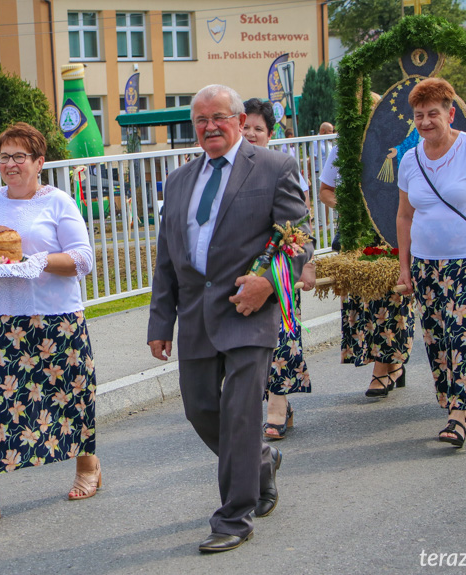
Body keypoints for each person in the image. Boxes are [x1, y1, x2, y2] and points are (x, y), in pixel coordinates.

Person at [148, 85, 312, 553]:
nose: (209, 127)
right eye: (200, 120)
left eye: (219, 117)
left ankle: (232, 518)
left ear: (240, 121)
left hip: (249, 308)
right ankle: (261, 462)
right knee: (200, 409)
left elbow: (299, 239)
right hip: (195, 313)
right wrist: (161, 323)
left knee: (241, 414)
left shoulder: (274, 167)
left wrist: (267, 282)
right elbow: (167, 259)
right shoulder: (179, 180)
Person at [0, 122, 100, 527]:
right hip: (0, 320)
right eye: (4, 157)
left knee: (70, 397)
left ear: (40, 162)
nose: (11, 164)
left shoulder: (58, 201)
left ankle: (88, 467)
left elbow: (83, 260)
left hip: (56, 317)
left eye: (20, 156)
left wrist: (36, 263)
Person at [396, 78, 466, 448]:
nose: (426, 122)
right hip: (427, 265)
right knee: (438, 339)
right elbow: (404, 216)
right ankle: (458, 403)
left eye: (433, 113)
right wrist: (404, 266)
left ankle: (459, 414)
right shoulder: (410, 158)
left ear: (450, 112)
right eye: (419, 116)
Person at [243, 97, 316, 439]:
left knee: (281, 337)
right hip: (241, 272)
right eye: (246, 127)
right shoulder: (224, 170)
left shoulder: (282, 167)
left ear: (270, 134)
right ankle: (276, 404)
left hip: (279, 271)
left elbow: (301, 225)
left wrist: (307, 264)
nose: (251, 134)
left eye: (259, 129)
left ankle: (275, 407)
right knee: (251, 344)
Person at [319, 146, 416, 398]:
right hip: (358, 235)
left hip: (393, 228)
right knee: (363, 301)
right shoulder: (343, 146)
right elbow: (325, 192)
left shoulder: (398, 142)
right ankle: (393, 364)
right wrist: (353, 208)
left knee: (392, 298)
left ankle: (383, 367)